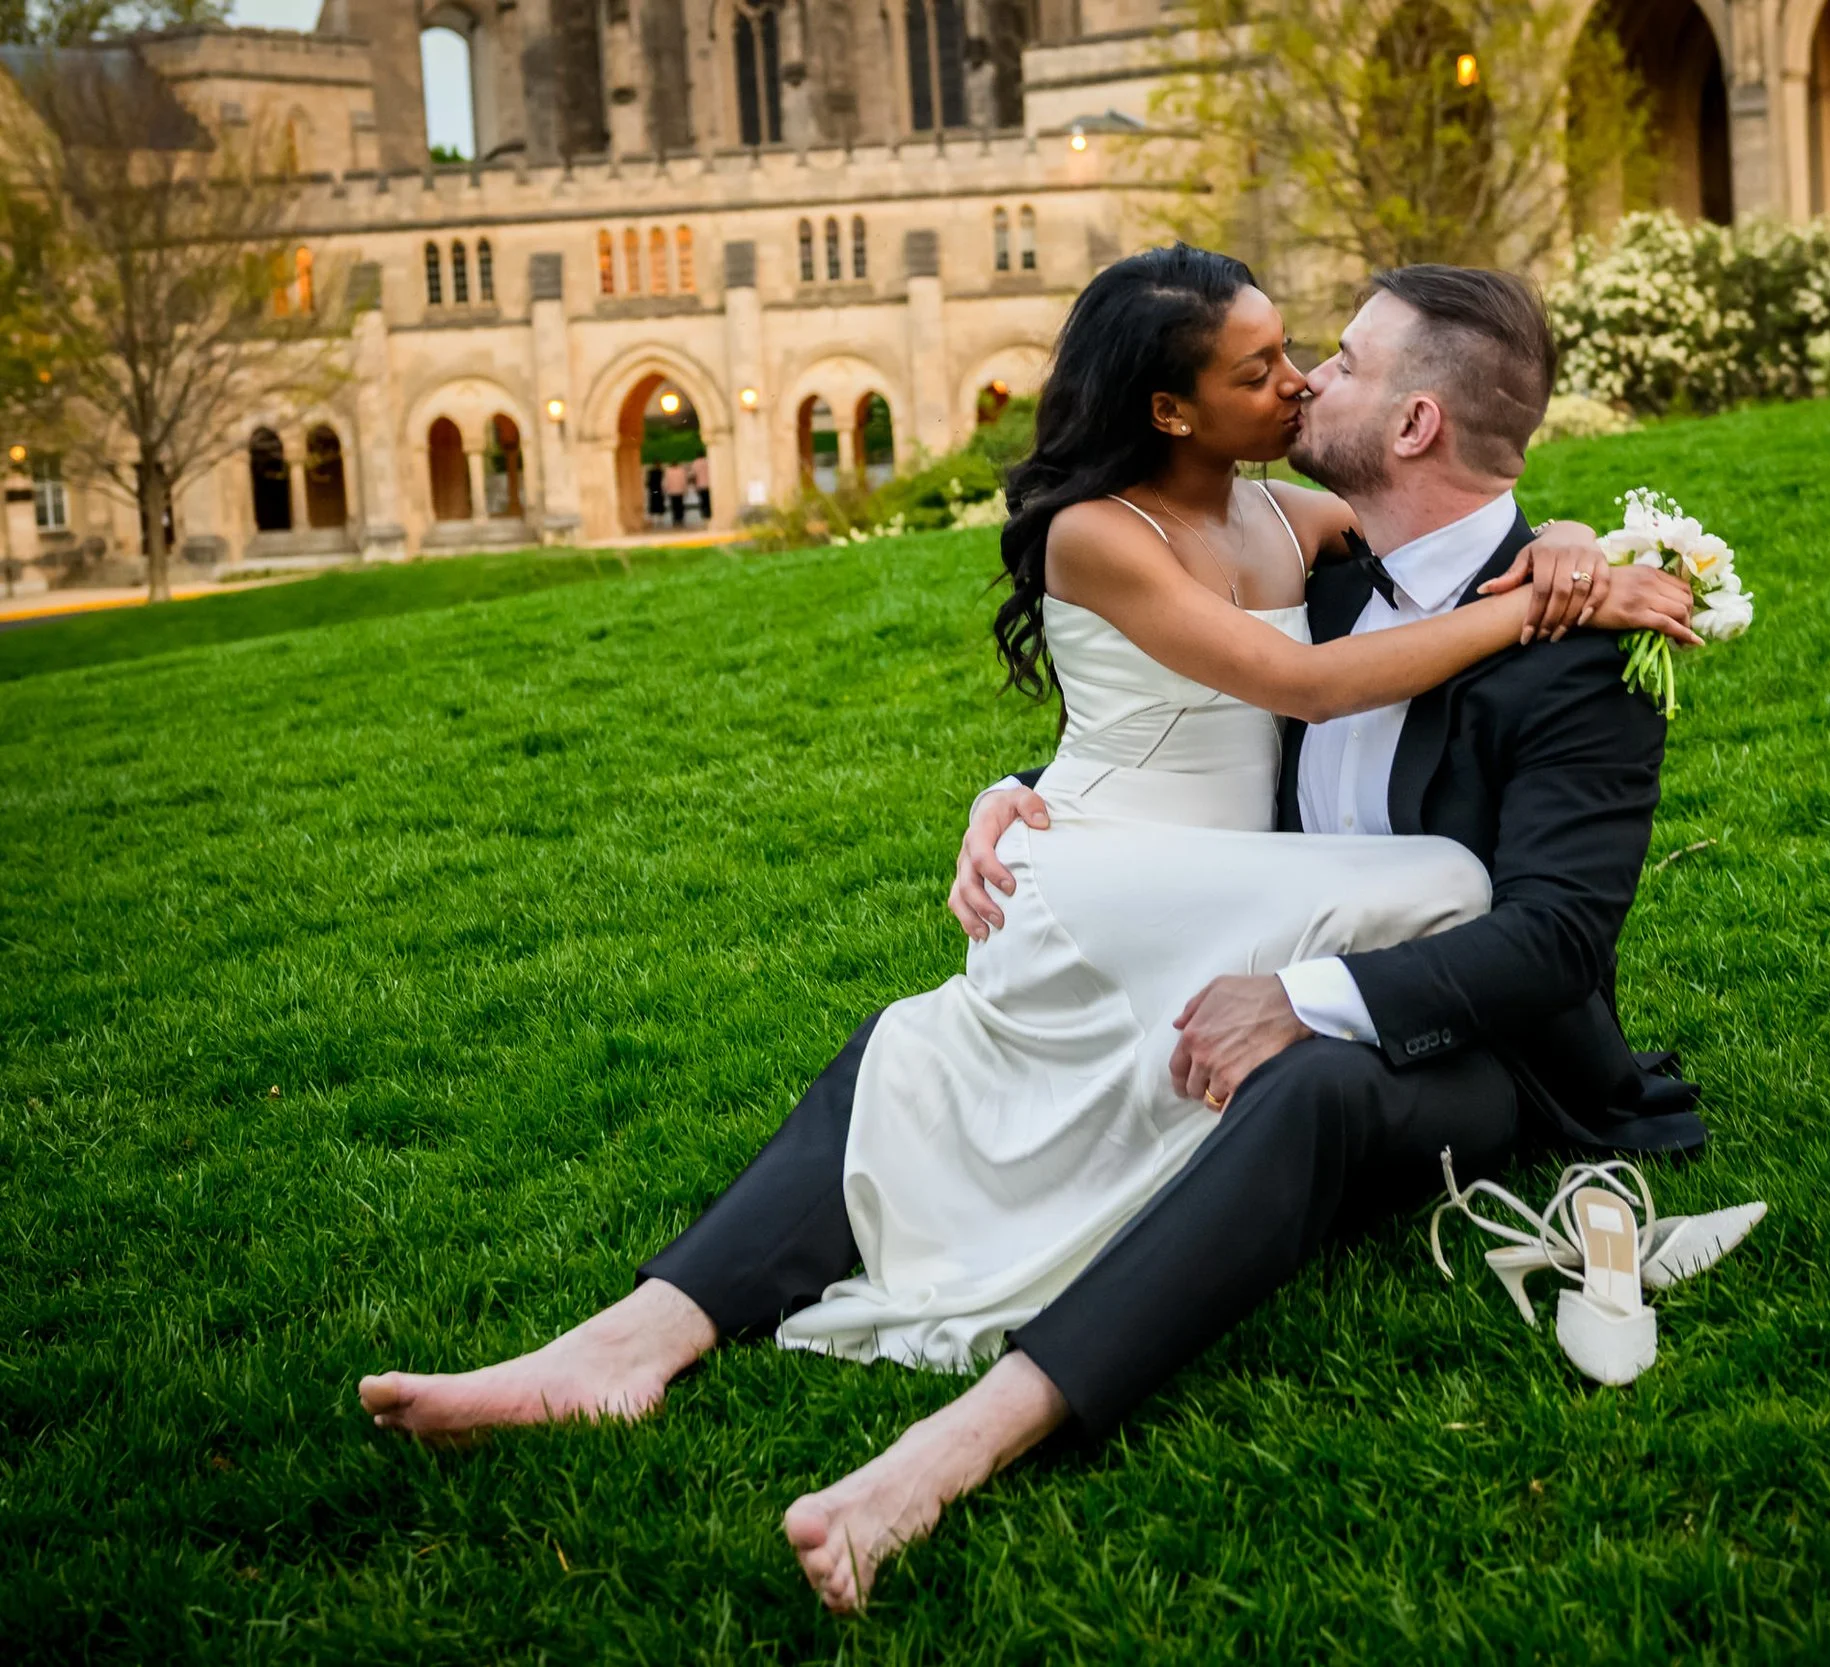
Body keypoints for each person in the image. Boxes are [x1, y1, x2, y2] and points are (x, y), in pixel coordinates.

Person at [357, 247, 1699, 1612]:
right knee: (923, 1043)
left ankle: (955, 1444)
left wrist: (1309, 993)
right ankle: (627, 1339)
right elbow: (1218, 702)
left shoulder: (1579, 638)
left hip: (1472, 1040)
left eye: (1338, 362)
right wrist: (1033, 793)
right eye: (1285, 359)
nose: (1306, 381)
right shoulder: (1346, 570)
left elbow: (1555, 945)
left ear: (1414, 422)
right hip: (1226, 914)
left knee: (1314, 1084)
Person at [661, 459, 688, 527]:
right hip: (679, 490)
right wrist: (685, 489)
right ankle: (680, 517)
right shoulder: (681, 470)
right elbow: (684, 480)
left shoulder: (668, 471)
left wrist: (665, 489)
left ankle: (676, 518)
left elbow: (665, 482)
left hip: (672, 491)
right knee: (680, 505)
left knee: (674, 506)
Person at [689, 452, 712, 522]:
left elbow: (693, 476)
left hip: (700, 485)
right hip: (709, 484)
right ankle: (709, 514)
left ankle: (705, 515)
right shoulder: (708, 461)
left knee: (703, 501)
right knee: (709, 500)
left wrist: (694, 485)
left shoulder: (695, 463)